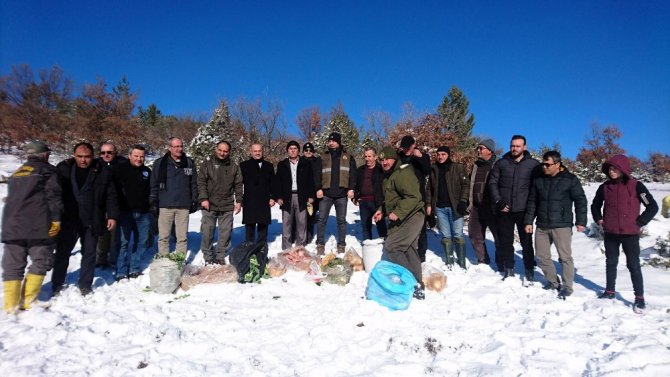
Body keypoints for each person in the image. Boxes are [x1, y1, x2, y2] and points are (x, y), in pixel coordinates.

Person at [591, 154, 658, 311]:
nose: (611, 172)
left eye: (615, 169)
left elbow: (652, 206)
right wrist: (599, 219)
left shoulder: (636, 186)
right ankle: (609, 291)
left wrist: (640, 222)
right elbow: (595, 205)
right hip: (611, 232)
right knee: (611, 262)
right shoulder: (605, 187)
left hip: (630, 234)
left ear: (623, 169)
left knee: (633, 264)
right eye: (609, 169)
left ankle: (639, 298)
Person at [2, 141, 62, 313]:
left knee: (13, 264)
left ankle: (10, 305)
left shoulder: (17, 173)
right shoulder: (46, 171)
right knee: (41, 260)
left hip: (12, 226)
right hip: (37, 225)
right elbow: (53, 196)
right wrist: (56, 219)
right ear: (44, 154)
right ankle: (29, 300)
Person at [52, 142, 119, 296]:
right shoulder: (64, 169)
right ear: (74, 156)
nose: (83, 160)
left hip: (92, 219)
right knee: (62, 253)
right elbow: (52, 193)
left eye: (87, 157)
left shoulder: (102, 171)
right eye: (80, 156)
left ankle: (85, 284)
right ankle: (57, 283)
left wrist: (113, 216)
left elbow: (111, 196)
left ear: (93, 156)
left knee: (89, 254)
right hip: (69, 219)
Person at [524, 151, 588, 298]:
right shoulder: (539, 180)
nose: (544, 167)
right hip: (542, 224)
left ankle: (567, 286)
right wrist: (528, 221)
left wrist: (581, 221)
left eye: (548, 164)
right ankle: (553, 281)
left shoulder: (570, 179)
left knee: (564, 257)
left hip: (562, 225)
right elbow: (532, 201)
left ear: (557, 164)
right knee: (541, 255)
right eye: (543, 164)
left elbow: (580, 200)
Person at [373, 146, 425, 299]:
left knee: (392, 246)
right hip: (406, 216)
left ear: (394, 159)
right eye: (382, 160)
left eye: (387, 159)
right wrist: (381, 210)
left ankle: (411, 282)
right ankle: (417, 285)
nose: (384, 162)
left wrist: (398, 212)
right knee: (409, 249)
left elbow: (413, 197)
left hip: (412, 215)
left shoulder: (403, 173)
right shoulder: (390, 176)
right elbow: (392, 199)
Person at [488, 135, 540, 280]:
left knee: (527, 243)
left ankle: (529, 270)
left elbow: (537, 187)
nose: (514, 148)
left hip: (524, 210)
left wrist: (534, 208)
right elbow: (492, 183)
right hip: (505, 210)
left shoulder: (533, 164)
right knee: (506, 241)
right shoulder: (501, 163)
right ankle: (508, 269)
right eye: (512, 145)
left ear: (524, 147)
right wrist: (498, 201)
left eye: (518, 146)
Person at [149, 137, 198, 257]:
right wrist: (153, 201)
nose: (179, 149)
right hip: (165, 205)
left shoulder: (188, 163)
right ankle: (164, 260)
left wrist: (194, 200)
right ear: (170, 148)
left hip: (183, 205)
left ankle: (179, 261)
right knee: (163, 237)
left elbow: (193, 183)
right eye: (176, 146)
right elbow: (154, 183)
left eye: (181, 146)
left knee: (182, 238)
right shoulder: (160, 163)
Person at [197, 140, 243, 264]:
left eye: (225, 151)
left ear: (229, 152)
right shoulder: (207, 163)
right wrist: (204, 198)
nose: (222, 153)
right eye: (220, 150)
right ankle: (207, 255)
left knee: (225, 232)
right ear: (216, 149)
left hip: (227, 204)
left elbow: (238, 185)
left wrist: (239, 201)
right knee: (207, 231)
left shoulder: (233, 166)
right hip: (209, 204)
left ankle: (220, 255)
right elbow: (201, 182)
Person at [112, 144, 152, 280]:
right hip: (125, 212)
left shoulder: (147, 172)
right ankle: (121, 271)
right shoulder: (119, 169)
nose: (139, 159)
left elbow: (151, 191)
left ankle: (134, 267)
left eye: (142, 156)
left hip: (143, 213)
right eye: (136, 156)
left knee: (142, 241)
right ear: (129, 156)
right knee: (123, 242)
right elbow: (112, 190)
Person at [428, 146, 469, 268]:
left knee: (458, 234)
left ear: (448, 155)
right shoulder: (434, 169)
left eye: (443, 154)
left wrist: (463, 201)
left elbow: (466, 185)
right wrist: (429, 204)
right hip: (440, 208)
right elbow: (429, 188)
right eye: (439, 154)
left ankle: (461, 262)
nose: (440, 157)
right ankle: (449, 260)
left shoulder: (458, 167)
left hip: (456, 206)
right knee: (446, 235)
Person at [315, 132, 356, 255]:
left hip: (342, 194)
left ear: (339, 142)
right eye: (329, 140)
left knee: (341, 220)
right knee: (322, 219)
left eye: (333, 140)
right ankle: (320, 243)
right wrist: (318, 188)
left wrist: (351, 188)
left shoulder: (348, 157)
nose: (330, 142)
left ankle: (341, 244)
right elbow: (317, 174)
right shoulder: (322, 157)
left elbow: (353, 174)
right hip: (326, 194)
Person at [274, 141, 315, 250]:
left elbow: (311, 181)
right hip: (287, 197)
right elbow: (277, 182)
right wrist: (278, 197)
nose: (293, 150)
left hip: (302, 196)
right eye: (290, 148)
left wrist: (311, 196)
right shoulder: (282, 164)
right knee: (286, 223)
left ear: (298, 150)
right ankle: (286, 248)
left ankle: (300, 247)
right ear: (287, 150)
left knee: (302, 223)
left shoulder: (305, 163)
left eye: (295, 148)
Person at [398, 136, 431, 262]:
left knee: (420, 227)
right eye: (404, 147)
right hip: (403, 197)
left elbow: (427, 170)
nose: (406, 150)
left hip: (418, 197)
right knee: (404, 225)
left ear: (413, 145)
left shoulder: (422, 156)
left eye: (408, 147)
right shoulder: (399, 157)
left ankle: (421, 254)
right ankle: (405, 250)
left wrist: (420, 157)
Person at [467, 139, 499, 266]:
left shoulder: (497, 165)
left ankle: (502, 262)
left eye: (481, 148)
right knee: (474, 235)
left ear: (490, 151)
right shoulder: (475, 166)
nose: (479, 151)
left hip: (491, 208)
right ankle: (483, 260)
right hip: (476, 207)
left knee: (499, 237)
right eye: (478, 148)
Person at [95, 141, 127, 269]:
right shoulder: (96, 165)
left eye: (109, 152)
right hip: (100, 206)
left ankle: (114, 258)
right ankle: (101, 259)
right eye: (103, 152)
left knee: (115, 235)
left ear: (115, 153)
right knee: (101, 235)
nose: (106, 155)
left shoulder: (122, 164)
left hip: (116, 204)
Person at [240, 143, 275, 245]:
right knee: (249, 224)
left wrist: (273, 197)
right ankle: (249, 244)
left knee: (263, 224)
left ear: (262, 151)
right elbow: (238, 184)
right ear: (251, 152)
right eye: (255, 151)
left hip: (264, 199)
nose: (257, 153)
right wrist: (239, 199)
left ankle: (261, 246)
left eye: (259, 151)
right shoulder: (243, 165)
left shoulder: (269, 166)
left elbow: (273, 183)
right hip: (249, 199)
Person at [354, 147, 387, 240]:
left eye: (369, 156)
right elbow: (355, 185)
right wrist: (355, 198)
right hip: (363, 202)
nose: (367, 159)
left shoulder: (381, 170)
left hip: (377, 202)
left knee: (381, 226)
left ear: (375, 157)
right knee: (365, 227)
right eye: (365, 156)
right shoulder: (360, 170)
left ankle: (383, 246)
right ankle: (367, 246)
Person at [301, 142, 321, 243]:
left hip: (314, 193)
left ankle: (309, 236)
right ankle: (300, 236)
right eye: (306, 150)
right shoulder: (299, 161)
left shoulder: (318, 161)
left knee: (311, 216)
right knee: (301, 217)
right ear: (303, 151)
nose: (308, 152)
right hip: (301, 193)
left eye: (310, 150)